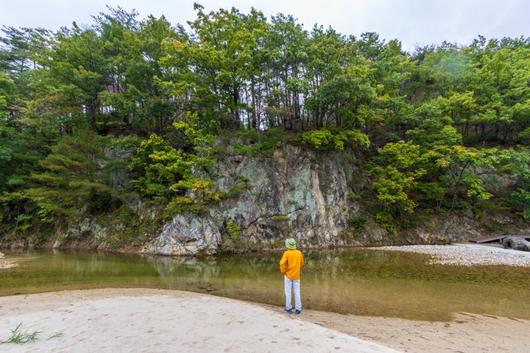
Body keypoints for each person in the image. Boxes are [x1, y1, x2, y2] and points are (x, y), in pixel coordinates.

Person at [279, 238, 304, 314]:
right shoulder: (299, 253)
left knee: (288, 292)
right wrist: (297, 270)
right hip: (297, 276)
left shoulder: (286, 253)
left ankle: (288, 308)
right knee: (297, 292)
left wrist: (284, 271)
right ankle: (298, 309)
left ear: (287, 245)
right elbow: (302, 263)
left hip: (288, 276)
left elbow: (281, 263)